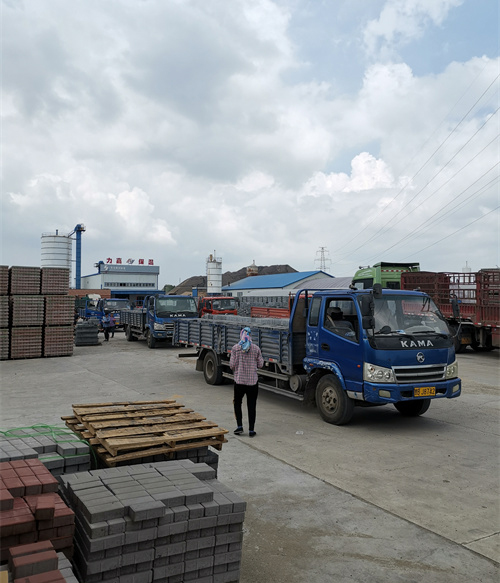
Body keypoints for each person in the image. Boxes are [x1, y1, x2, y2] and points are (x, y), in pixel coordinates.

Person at [229, 327, 264, 437]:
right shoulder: (256, 349)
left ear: (241, 335)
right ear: (250, 336)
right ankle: (251, 430)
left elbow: (232, 365)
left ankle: (239, 426)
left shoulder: (235, 348)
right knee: (251, 405)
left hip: (239, 381)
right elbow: (261, 365)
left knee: (237, 403)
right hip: (252, 383)